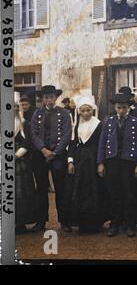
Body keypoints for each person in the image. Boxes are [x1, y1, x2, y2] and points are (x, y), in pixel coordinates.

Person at [97, 93, 137, 237]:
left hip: (128, 162)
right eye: (118, 108)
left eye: (124, 108)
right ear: (114, 107)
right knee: (114, 193)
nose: (121, 111)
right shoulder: (108, 122)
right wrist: (100, 163)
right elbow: (102, 143)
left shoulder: (135, 122)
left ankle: (130, 225)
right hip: (112, 161)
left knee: (129, 194)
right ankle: (115, 224)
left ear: (129, 107)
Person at [30, 85, 72, 232]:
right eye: (46, 97)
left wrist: (56, 152)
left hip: (58, 156)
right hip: (40, 156)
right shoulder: (37, 113)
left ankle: (64, 221)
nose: (49, 100)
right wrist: (43, 150)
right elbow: (33, 134)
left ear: (56, 98)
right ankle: (41, 222)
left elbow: (67, 134)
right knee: (41, 189)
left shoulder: (65, 113)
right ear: (42, 99)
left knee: (61, 189)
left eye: (52, 97)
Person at [66, 96, 106, 233]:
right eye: (83, 111)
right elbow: (72, 143)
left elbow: (102, 144)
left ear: (92, 110)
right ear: (79, 111)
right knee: (80, 189)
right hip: (80, 160)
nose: (86, 113)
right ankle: (82, 222)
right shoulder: (76, 125)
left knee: (94, 189)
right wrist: (70, 161)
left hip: (93, 159)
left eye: (88, 110)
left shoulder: (99, 124)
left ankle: (95, 223)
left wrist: (100, 162)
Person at [14, 92, 37, 234]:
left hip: (20, 161)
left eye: (16, 108)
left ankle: (20, 222)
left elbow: (28, 141)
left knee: (22, 191)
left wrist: (17, 154)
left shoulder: (24, 124)